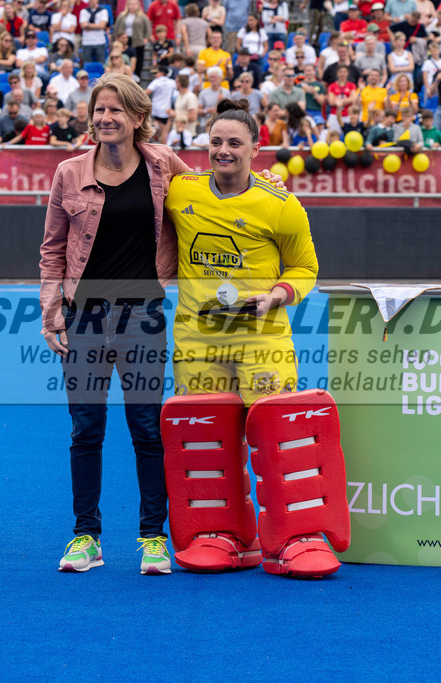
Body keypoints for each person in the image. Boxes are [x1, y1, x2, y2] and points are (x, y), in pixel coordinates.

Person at [162, 97, 349, 579]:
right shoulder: (180, 191)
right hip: (198, 341)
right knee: (205, 440)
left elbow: (305, 268)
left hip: (262, 339)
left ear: (255, 149)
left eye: (234, 143)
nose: (223, 151)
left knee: (281, 439)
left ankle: (298, 539)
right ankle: (223, 535)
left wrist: (277, 295)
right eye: (216, 142)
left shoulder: (281, 204)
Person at [38, 73, 185, 576]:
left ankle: (153, 539)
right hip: (83, 317)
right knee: (86, 429)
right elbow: (52, 250)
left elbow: (210, 200)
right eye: (99, 110)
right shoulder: (68, 173)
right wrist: (51, 311)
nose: (105, 118)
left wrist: (264, 182)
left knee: (146, 429)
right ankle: (86, 537)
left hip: (143, 316)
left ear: (139, 117)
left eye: (116, 110)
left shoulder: (163, 163)